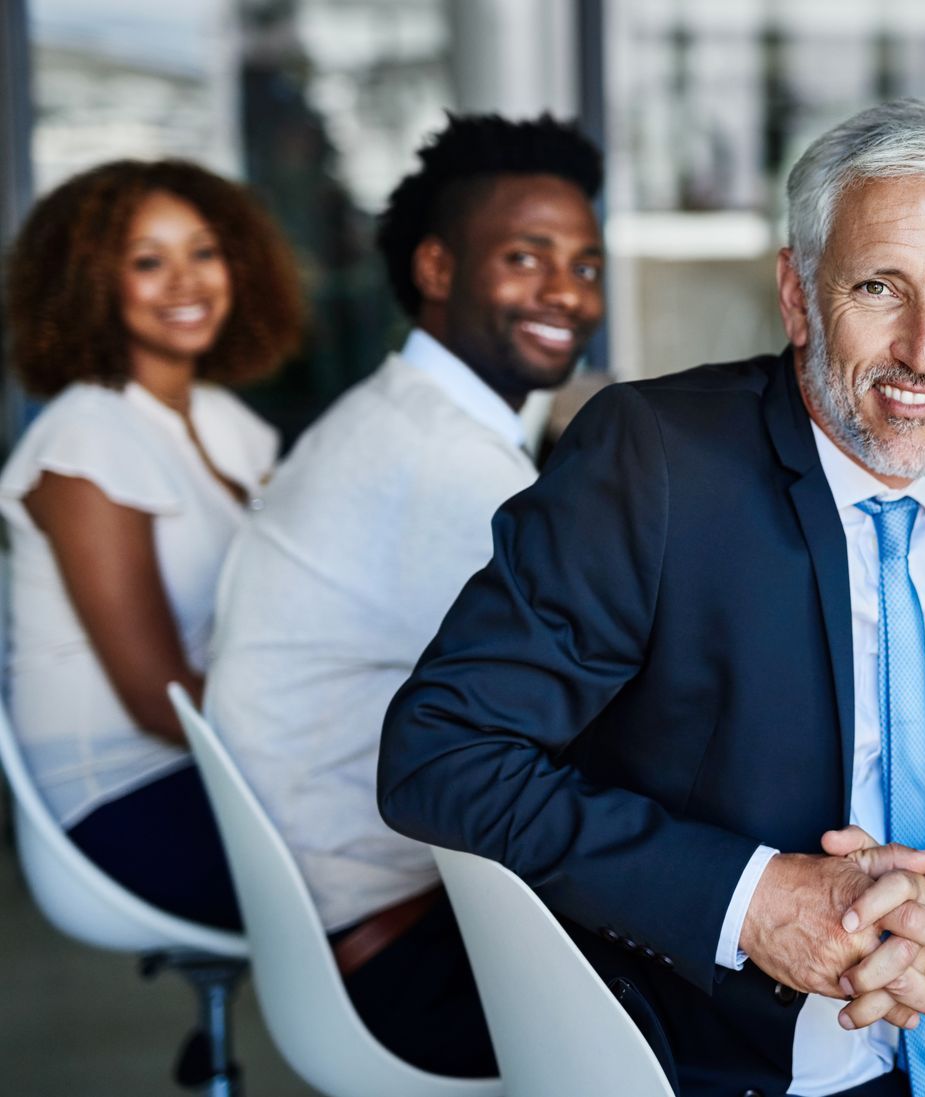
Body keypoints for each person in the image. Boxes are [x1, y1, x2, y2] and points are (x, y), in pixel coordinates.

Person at [377, 99, 925, 1097]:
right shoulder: (654, 457)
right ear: (797, 290)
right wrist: (753, 898)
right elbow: (440, 749)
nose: (923, 349)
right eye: (879, 286)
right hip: (705, 1047)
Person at [203, 113, 606, 1078]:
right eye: (525, 256)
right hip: (400, 956)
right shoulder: (444, 465)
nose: (567, 291)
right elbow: (592, 723)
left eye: (586, 265)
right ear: (434, 269)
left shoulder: (400, 417)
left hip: (350, 927)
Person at [0, 160, 301, 931]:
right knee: (434, 848)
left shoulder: (228, 421)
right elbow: (159, 700)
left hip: (218, 764)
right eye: (146, 261)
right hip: (125, 794)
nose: (186, 281)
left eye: (203, 251)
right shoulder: (87, 439)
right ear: (89, 283)